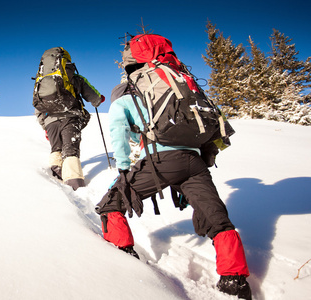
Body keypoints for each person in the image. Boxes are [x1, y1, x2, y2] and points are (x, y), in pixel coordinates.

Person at [95, 80, 252, 299]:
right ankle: (234, 278)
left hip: (160, 161)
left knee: (110, 203)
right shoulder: (172, 94)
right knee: (217, 217)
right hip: (194, 161)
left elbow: (118, 129)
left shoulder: (124, 100)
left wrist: (122, 168)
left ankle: (124, 258)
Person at [35, 48, 104, 190]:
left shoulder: (40, 80)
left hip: (50, 121)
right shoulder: (74, 77)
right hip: (70, 116)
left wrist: (45, 126)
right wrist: (98, 99)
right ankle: (75, 185)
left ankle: (56, 175)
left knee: (56, 148)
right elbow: (94, 96)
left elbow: (38, 106)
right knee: (70, 148)